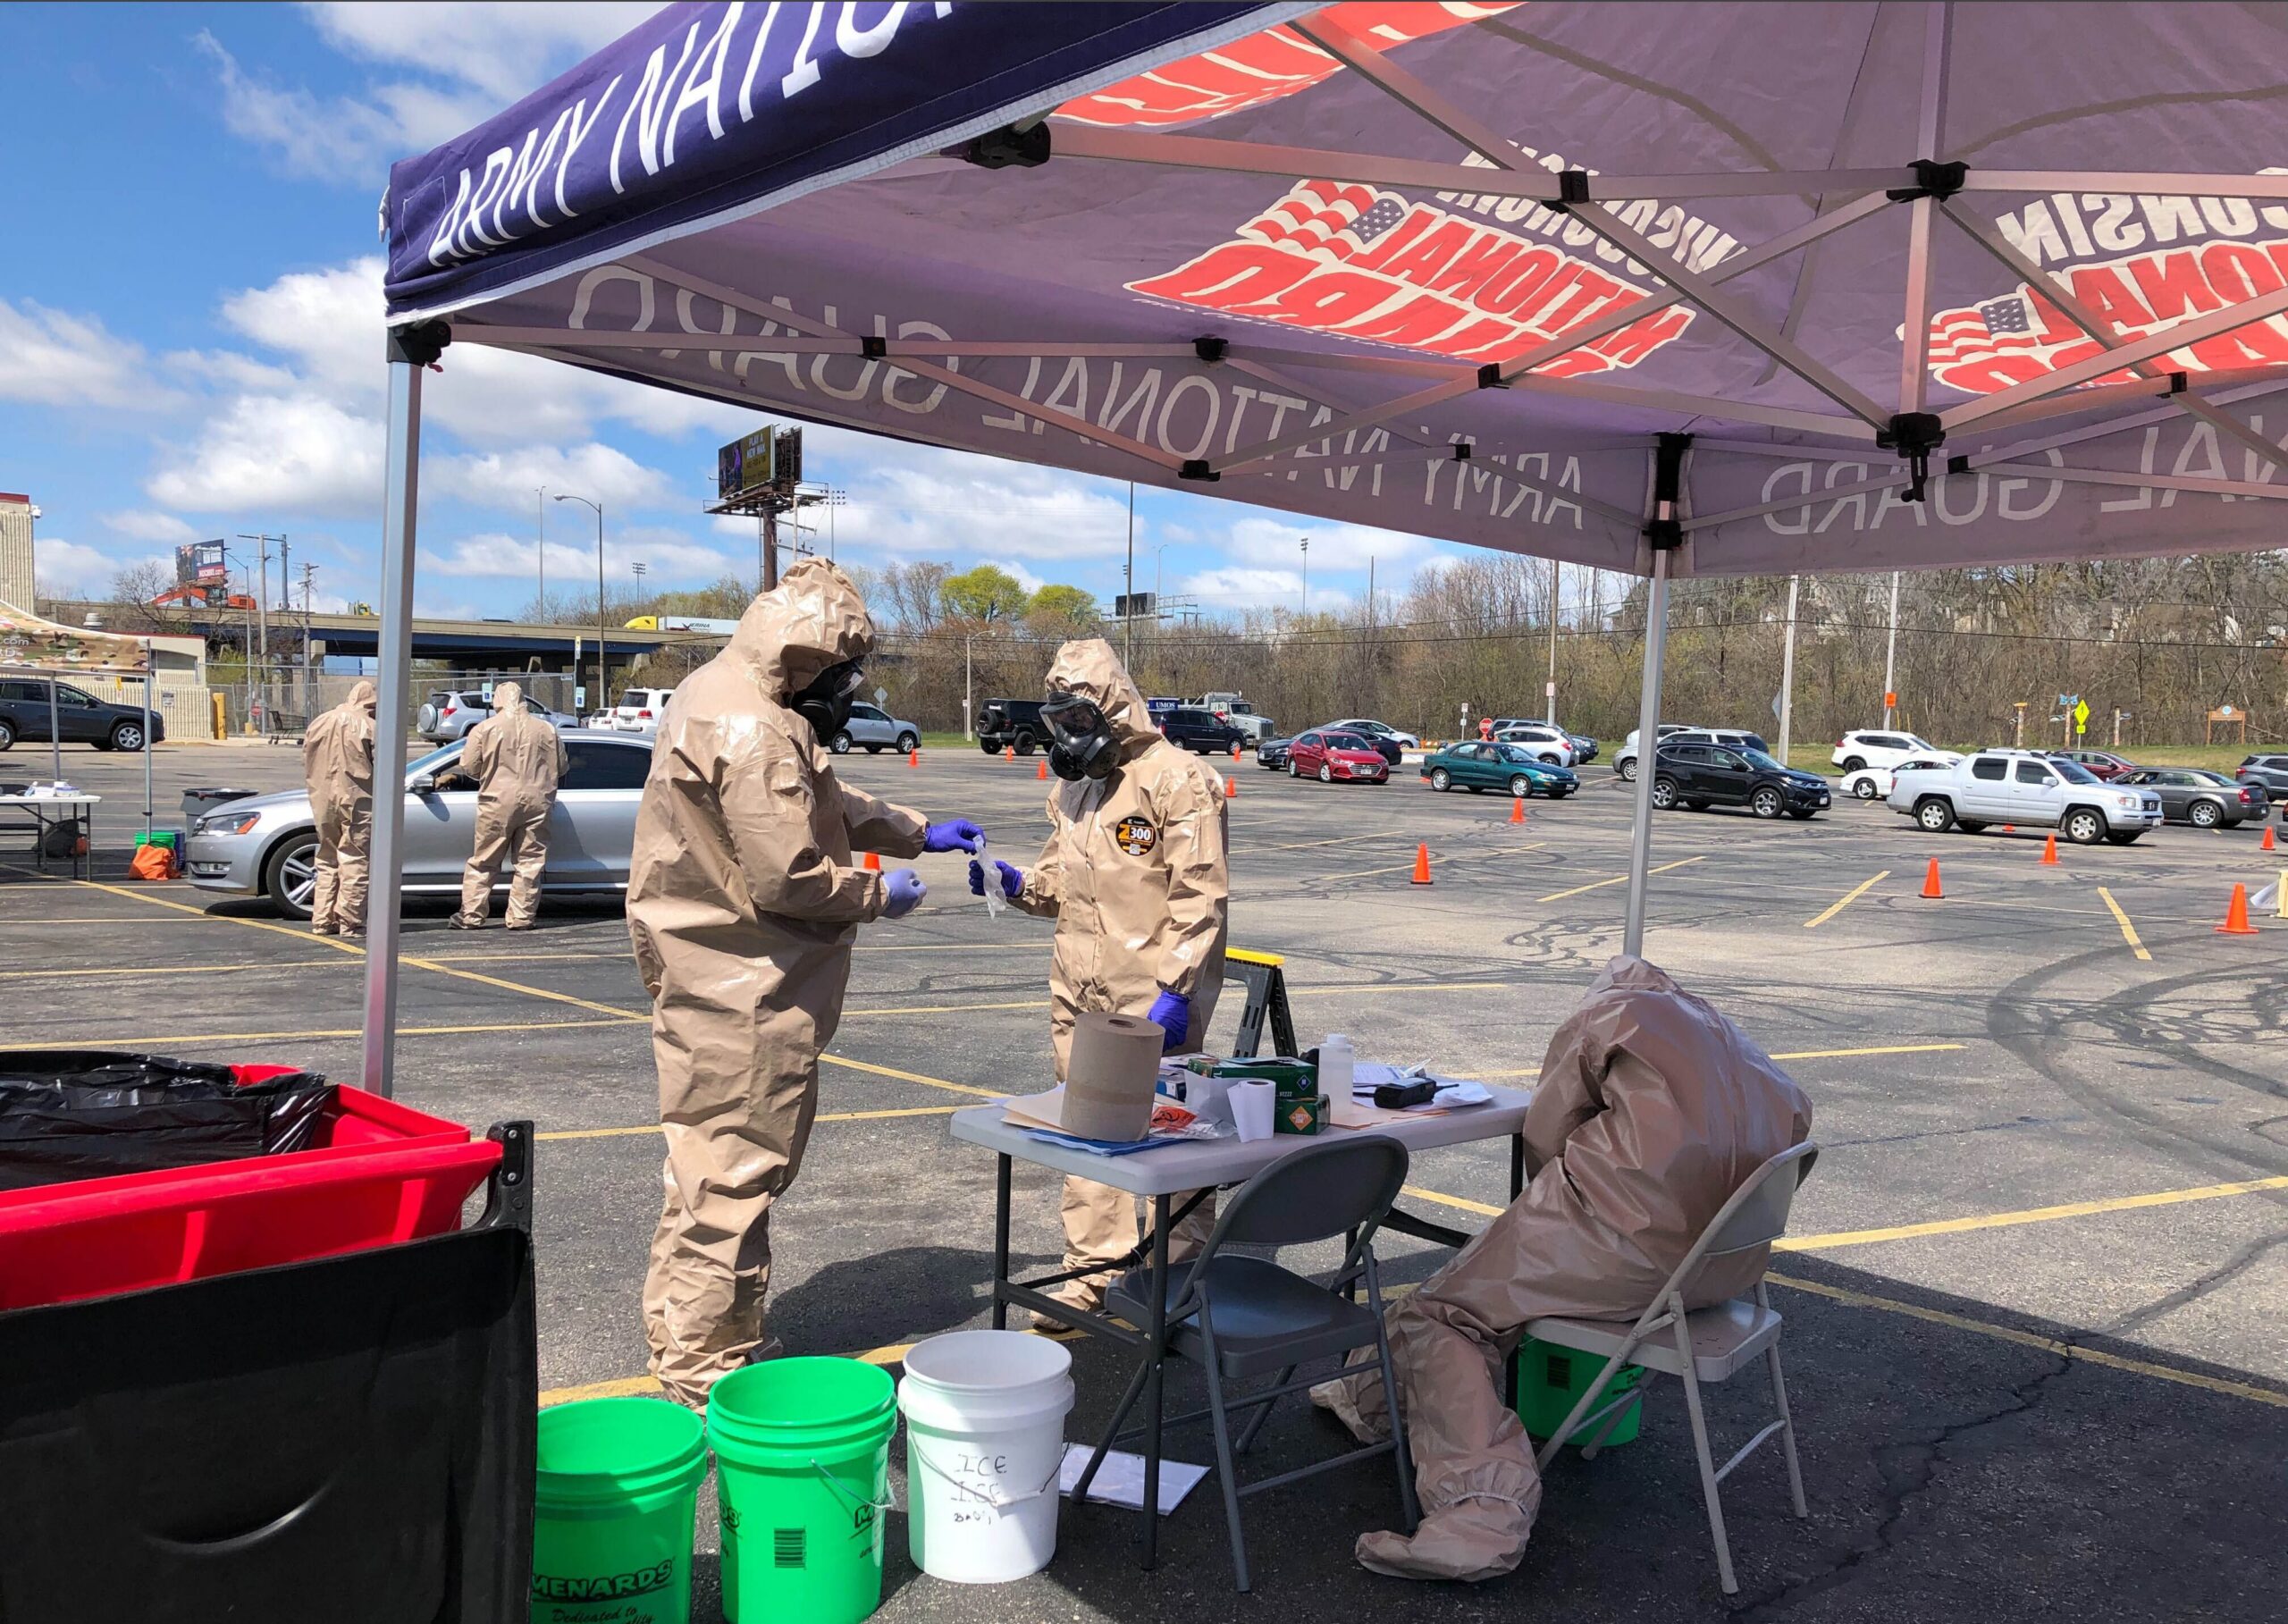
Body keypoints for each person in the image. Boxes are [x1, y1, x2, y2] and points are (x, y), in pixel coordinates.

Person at [1317, 955, 1813, 1581]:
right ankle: (1371, 1397)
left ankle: (1482, 1512)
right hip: (1721, 1268)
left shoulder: (1610, 1014)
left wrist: (1557, 1200)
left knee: (1445, 1314)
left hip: (1626, 1245)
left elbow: (1547, 1134)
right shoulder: (1738, 1044)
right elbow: (1798, 1128)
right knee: (1463, 1289)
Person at [626, 559, 983, 1409]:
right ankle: (707, 1376)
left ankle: (702, 1342)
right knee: (732, 1178)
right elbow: (791, 874)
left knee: (705, 1171)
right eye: (840, 673)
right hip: (746, 986)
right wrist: (875, 893)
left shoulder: (725, 696)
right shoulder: (753, 727)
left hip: (714, 974)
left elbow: (816, 793)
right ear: (806, 657)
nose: (844, 692)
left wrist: (917, 830)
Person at [970, 639, 1229, 1320]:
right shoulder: (1077, 788)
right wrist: (1017, 882)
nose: (1071, 736)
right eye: (1061, 723)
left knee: (1167, 1142)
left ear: (1113, 707)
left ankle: (1172, 1282)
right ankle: (1092, 1270)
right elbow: (1063, 881)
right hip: (1079, 989)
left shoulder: (1179, 779)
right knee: (1084, 1133)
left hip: (1151, 995)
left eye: (1080, 720)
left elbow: (1199, 895)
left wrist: (1177, 988)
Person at [450, 681, 568, 930]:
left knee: (484, 861)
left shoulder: (485, 728)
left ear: (498, 701)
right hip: (538, 801)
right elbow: (561, 766)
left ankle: (471, 915)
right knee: (530, 862)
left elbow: (470, 767)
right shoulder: (547, 729)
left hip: (496, 802)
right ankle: (521, 917)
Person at [301, 678, 377, 938]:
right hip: (358, 798)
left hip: (322, 797)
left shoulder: (320, 722)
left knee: (327, 858)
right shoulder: (370, 725)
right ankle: (351, 922)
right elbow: (384, 764)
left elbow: (306, 757)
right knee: (354, 858)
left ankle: (322, 920)